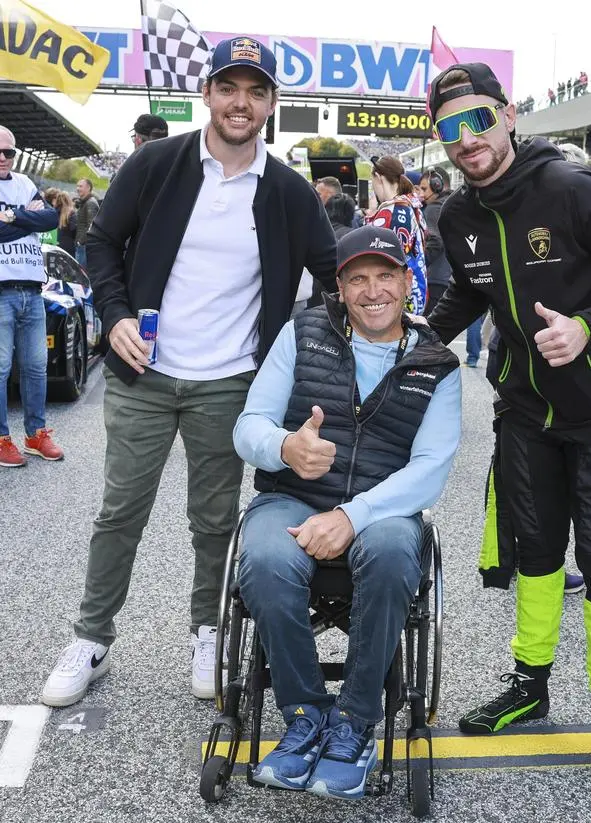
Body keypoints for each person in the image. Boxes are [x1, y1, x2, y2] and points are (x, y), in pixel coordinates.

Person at [41, 36, 338, 708]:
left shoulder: (289, 192)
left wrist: (314, 351)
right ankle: (91, 636)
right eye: (229, 88)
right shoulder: (157, 164)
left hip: (231, 383)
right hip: (144, 373)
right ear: (206, 94)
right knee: (121, 511)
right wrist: (113, 312)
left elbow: (333, 276)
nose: (241, 102)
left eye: (256, 91)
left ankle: (207, 629)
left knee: (212, 521)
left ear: (271, 105)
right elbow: (101, 241)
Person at [426, 61, 591, 801]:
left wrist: (588, 329)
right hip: (526, 415)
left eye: (477, 120)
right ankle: (529, 685)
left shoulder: (569, 187)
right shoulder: (458, 216)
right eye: (449, 129)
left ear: (505, 115)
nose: (466, 140)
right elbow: (468, 295)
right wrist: (411, 343)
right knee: (535, 556)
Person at [233, 225, 461, 799]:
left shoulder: (438, 364)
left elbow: (430, 468)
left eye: (386, 276)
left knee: (388, 555)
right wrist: (285, 446)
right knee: (261, 559)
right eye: (357, 279)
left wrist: (353, 517)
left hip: (384, 510)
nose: (373, 290)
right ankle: (306, 715)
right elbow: (249, 425)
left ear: (408, 282)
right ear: (339, 286)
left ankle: (355, 722)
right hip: (293, 497)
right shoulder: (302, 332)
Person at [0, 126, 63, 468]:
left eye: (8, 152)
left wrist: (12, 216)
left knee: (37, 368)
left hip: (31, 290)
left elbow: (51, 217)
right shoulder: (26, 191)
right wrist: (28, 220)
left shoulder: (24, 183)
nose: (3, 158)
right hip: (0, 292)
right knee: (0, 369)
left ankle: (35, 435)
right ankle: (1, 439)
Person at [366, 155, 427, 314]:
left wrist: (371, 215)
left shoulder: (390, 211)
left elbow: (372, 254)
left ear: (379, 178)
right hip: (413, 290)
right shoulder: (411, 205)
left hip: (394, 297)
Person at [418, 167, 453, 316]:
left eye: (425, 188)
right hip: (449, 278)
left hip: (435, 279)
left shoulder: (433, 209)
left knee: (428, 333)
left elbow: (435, 243)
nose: (422, 194)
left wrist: (417, 265)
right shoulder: (454, 204)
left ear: (437, 185)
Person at [74, 178, 99, 269]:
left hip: (84, 246)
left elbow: (91, 225)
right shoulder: (85, 202)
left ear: (88, 188)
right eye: (77, 186)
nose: (77, 188)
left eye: (80, 186)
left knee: (82, 274)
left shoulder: (90, 203)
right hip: (81, 244)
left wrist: (81, 241)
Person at [45, 189, 77, 257]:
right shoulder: (71, 213)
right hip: (68, 244)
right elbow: (74, 229)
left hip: (55, 243)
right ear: (68, 200)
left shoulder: (53, 212)